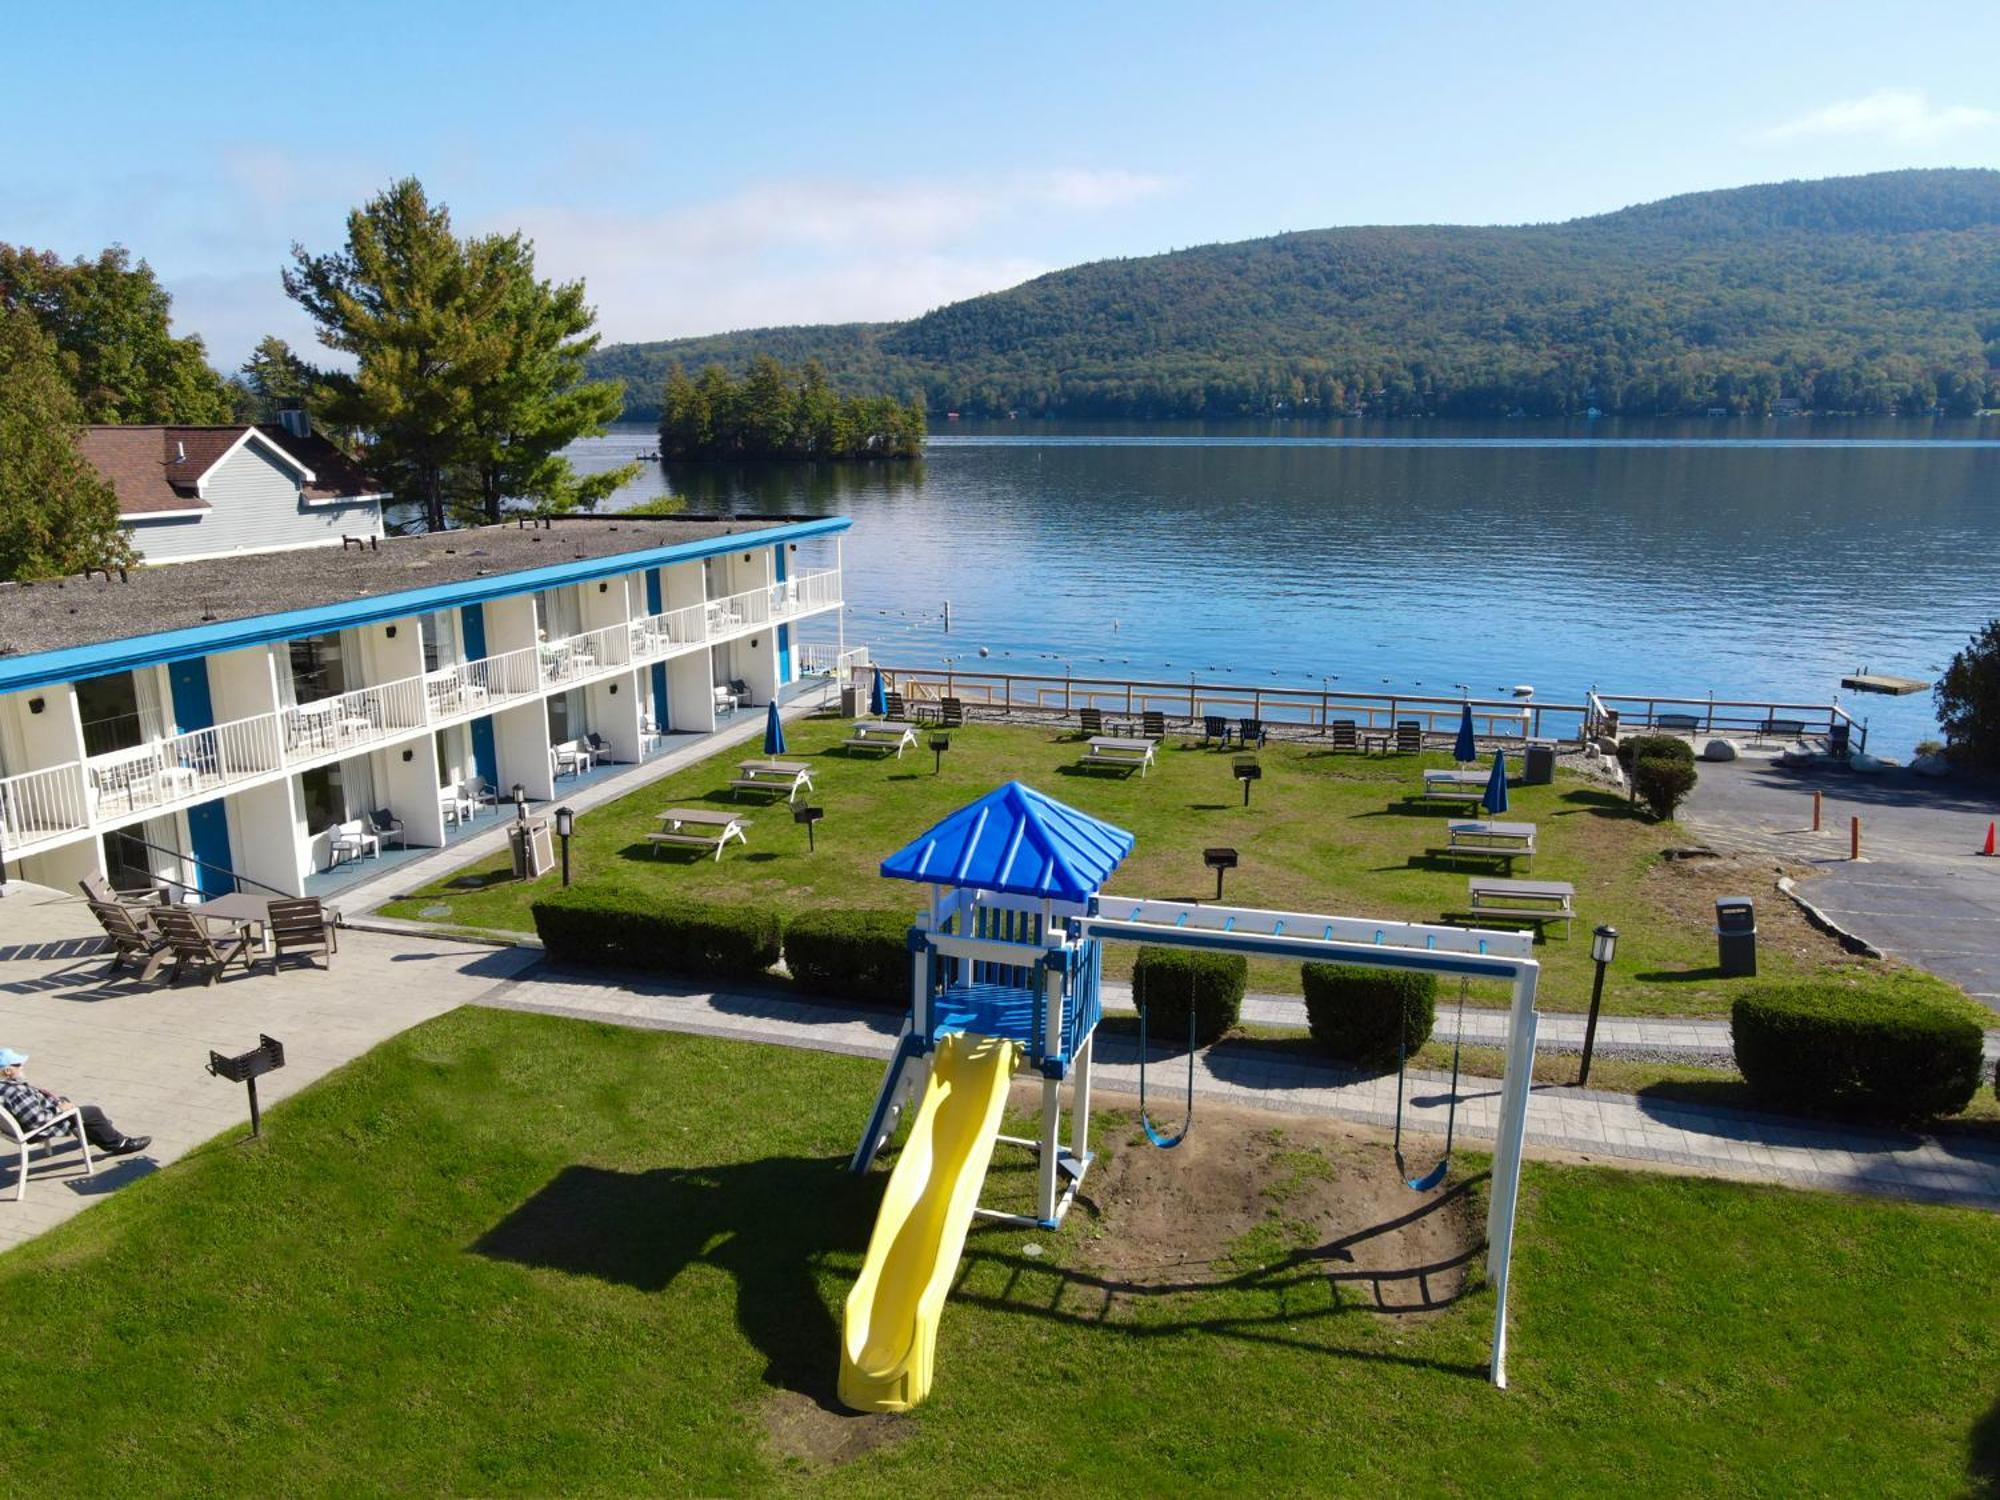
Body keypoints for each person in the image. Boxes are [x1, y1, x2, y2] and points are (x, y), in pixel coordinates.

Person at [0, 1049, 149, 1156]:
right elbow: (37, 1120)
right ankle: (120, 1144)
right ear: (7, 1071)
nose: (22, 1066)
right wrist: (60, 1109)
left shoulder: (4, 1087)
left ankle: (92, 1131)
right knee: (92, 1112)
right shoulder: (15, 1092)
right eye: (18, 1065)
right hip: (36, 1130)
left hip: (19, 1126)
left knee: (65, 1100)